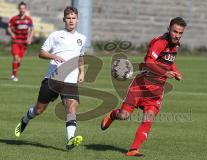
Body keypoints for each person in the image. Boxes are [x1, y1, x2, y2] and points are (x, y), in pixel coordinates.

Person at [101, 17, 187, 157]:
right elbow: (148, 62)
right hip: (140, 87)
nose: (177, 35)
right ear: (169, 29)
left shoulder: (176, 45)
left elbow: (169, 62)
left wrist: (176, 72)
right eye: (175, 31)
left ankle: (133, 149)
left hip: (156, 91)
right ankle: (112, 115)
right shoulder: (160, 43)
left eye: (180, 33)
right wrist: (165, 72)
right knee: (124, 115)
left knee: (149, 117)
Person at [15, 6, 86, 150]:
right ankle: (26, 119)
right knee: (39, 110)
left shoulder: (82, 38)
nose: (71, 21)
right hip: (52, 79)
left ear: (77, 20)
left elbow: (80, 57)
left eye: (73, 18)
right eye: (68, 18)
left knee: (71, 107)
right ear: (64, 20)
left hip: (70, 81)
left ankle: (70, 139)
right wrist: (53, 56)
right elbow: (41, 53)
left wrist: (82, 72)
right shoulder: (56, 35)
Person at [8, 1, 34, 82]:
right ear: (18, 9)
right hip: (16, 41)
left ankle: (13, 72)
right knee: (15, 58)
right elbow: (9, 27)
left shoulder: (28, 20)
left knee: (18, 60)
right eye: (20, 8)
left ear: (25, 9)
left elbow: (32, 30)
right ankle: (15, 76)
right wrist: (12, 33)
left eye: (23, 8)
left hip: (24, 43)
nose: (22, 10)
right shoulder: (14, 18)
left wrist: (29, 38)